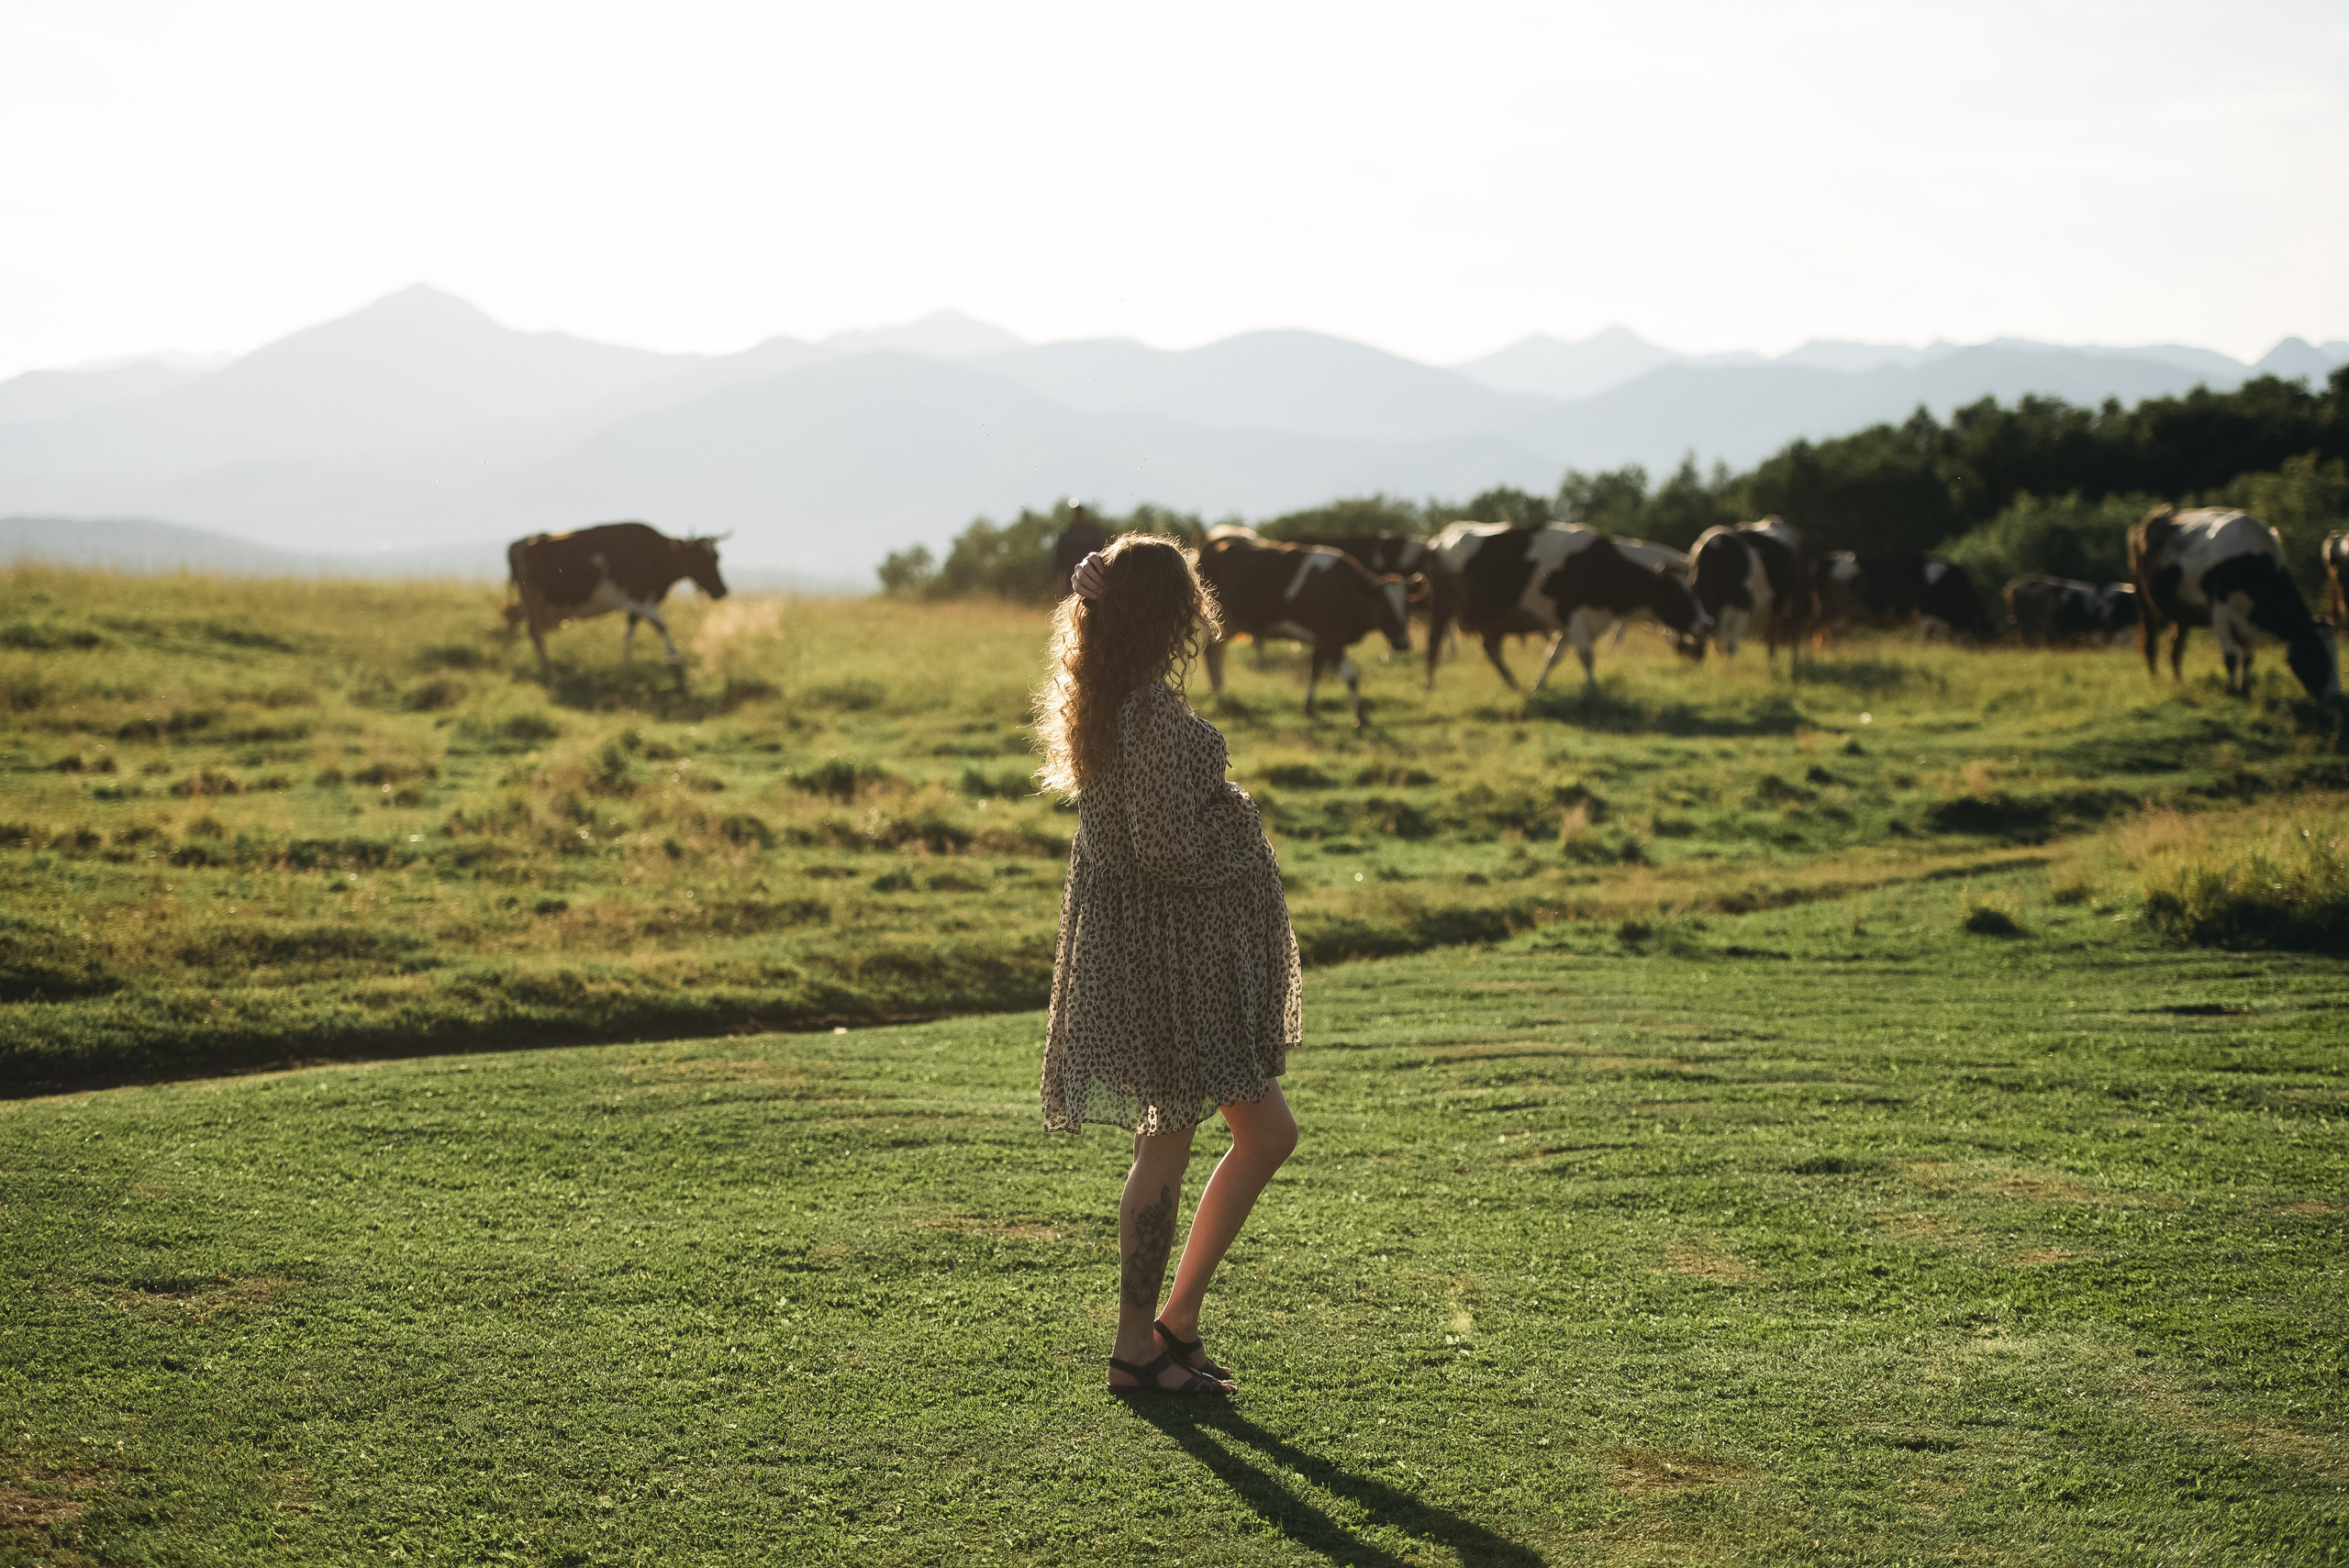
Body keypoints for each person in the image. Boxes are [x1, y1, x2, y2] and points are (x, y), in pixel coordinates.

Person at [1034, 535, 1301, 1398]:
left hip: (1159, 952)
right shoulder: (1148, 718)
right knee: (1186, 1140)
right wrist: (1242, 821)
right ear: (1170, 612)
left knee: (1244, 1135)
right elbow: (1167, 849)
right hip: (1173, 961)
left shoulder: (1113, 702)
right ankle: (1137, 1346)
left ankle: (1171, 1325)